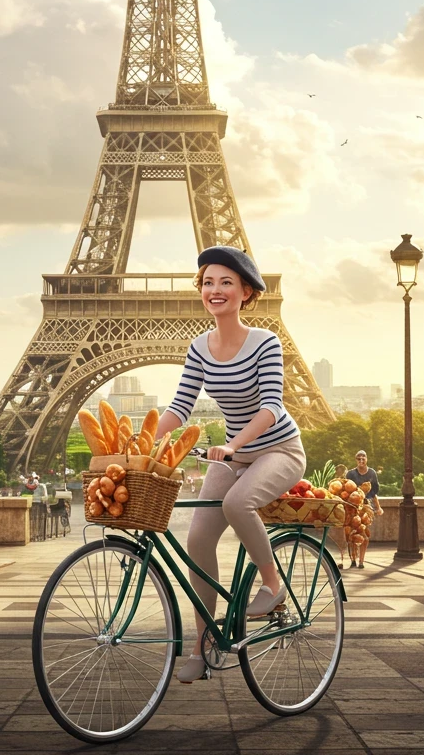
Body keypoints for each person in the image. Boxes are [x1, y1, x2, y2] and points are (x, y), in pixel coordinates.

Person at [155, 246, 307, 685]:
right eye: (207, 282)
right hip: (233, 455)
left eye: (225, 282)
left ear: (245, 291)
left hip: (278, 451)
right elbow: (181, 406)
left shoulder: (266, 342)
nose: (214, 290)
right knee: (198, 541)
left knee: (238, 503)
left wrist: (233, 444)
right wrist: (145, 441)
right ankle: (203, 646)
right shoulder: (199, 347)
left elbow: (273, 407)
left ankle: (273, 585)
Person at [345, 450, 383, 569]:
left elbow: (374, 492)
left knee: (364, 532)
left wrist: (378, 507)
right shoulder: (350, 474)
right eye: (358, 458)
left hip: (366, 507)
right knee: (351, 534)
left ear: (366, 459)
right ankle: (353, 559)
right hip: (352, 507)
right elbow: (345, 491)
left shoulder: (372, 473)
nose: (361, 460)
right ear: (356, 460)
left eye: (363, 458)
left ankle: (361, 561)